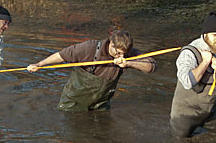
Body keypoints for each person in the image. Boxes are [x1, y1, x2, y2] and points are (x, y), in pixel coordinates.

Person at [27, 30, 156, 111]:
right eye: (117, 53)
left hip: (101, 104)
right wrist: (39, 64)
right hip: (73, 102)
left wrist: (129, 63)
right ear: (111, 43)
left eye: (123, 54)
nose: (120, 56)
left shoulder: (127, 55)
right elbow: (62, 56)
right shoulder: (89, 48)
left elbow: (151, 67)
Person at [170, 11, 216, 138]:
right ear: (205, 35)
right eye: (214, 35)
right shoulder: (189, 52)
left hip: (210, 113)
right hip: (184, 114)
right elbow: (187, 82)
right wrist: (205, 62)